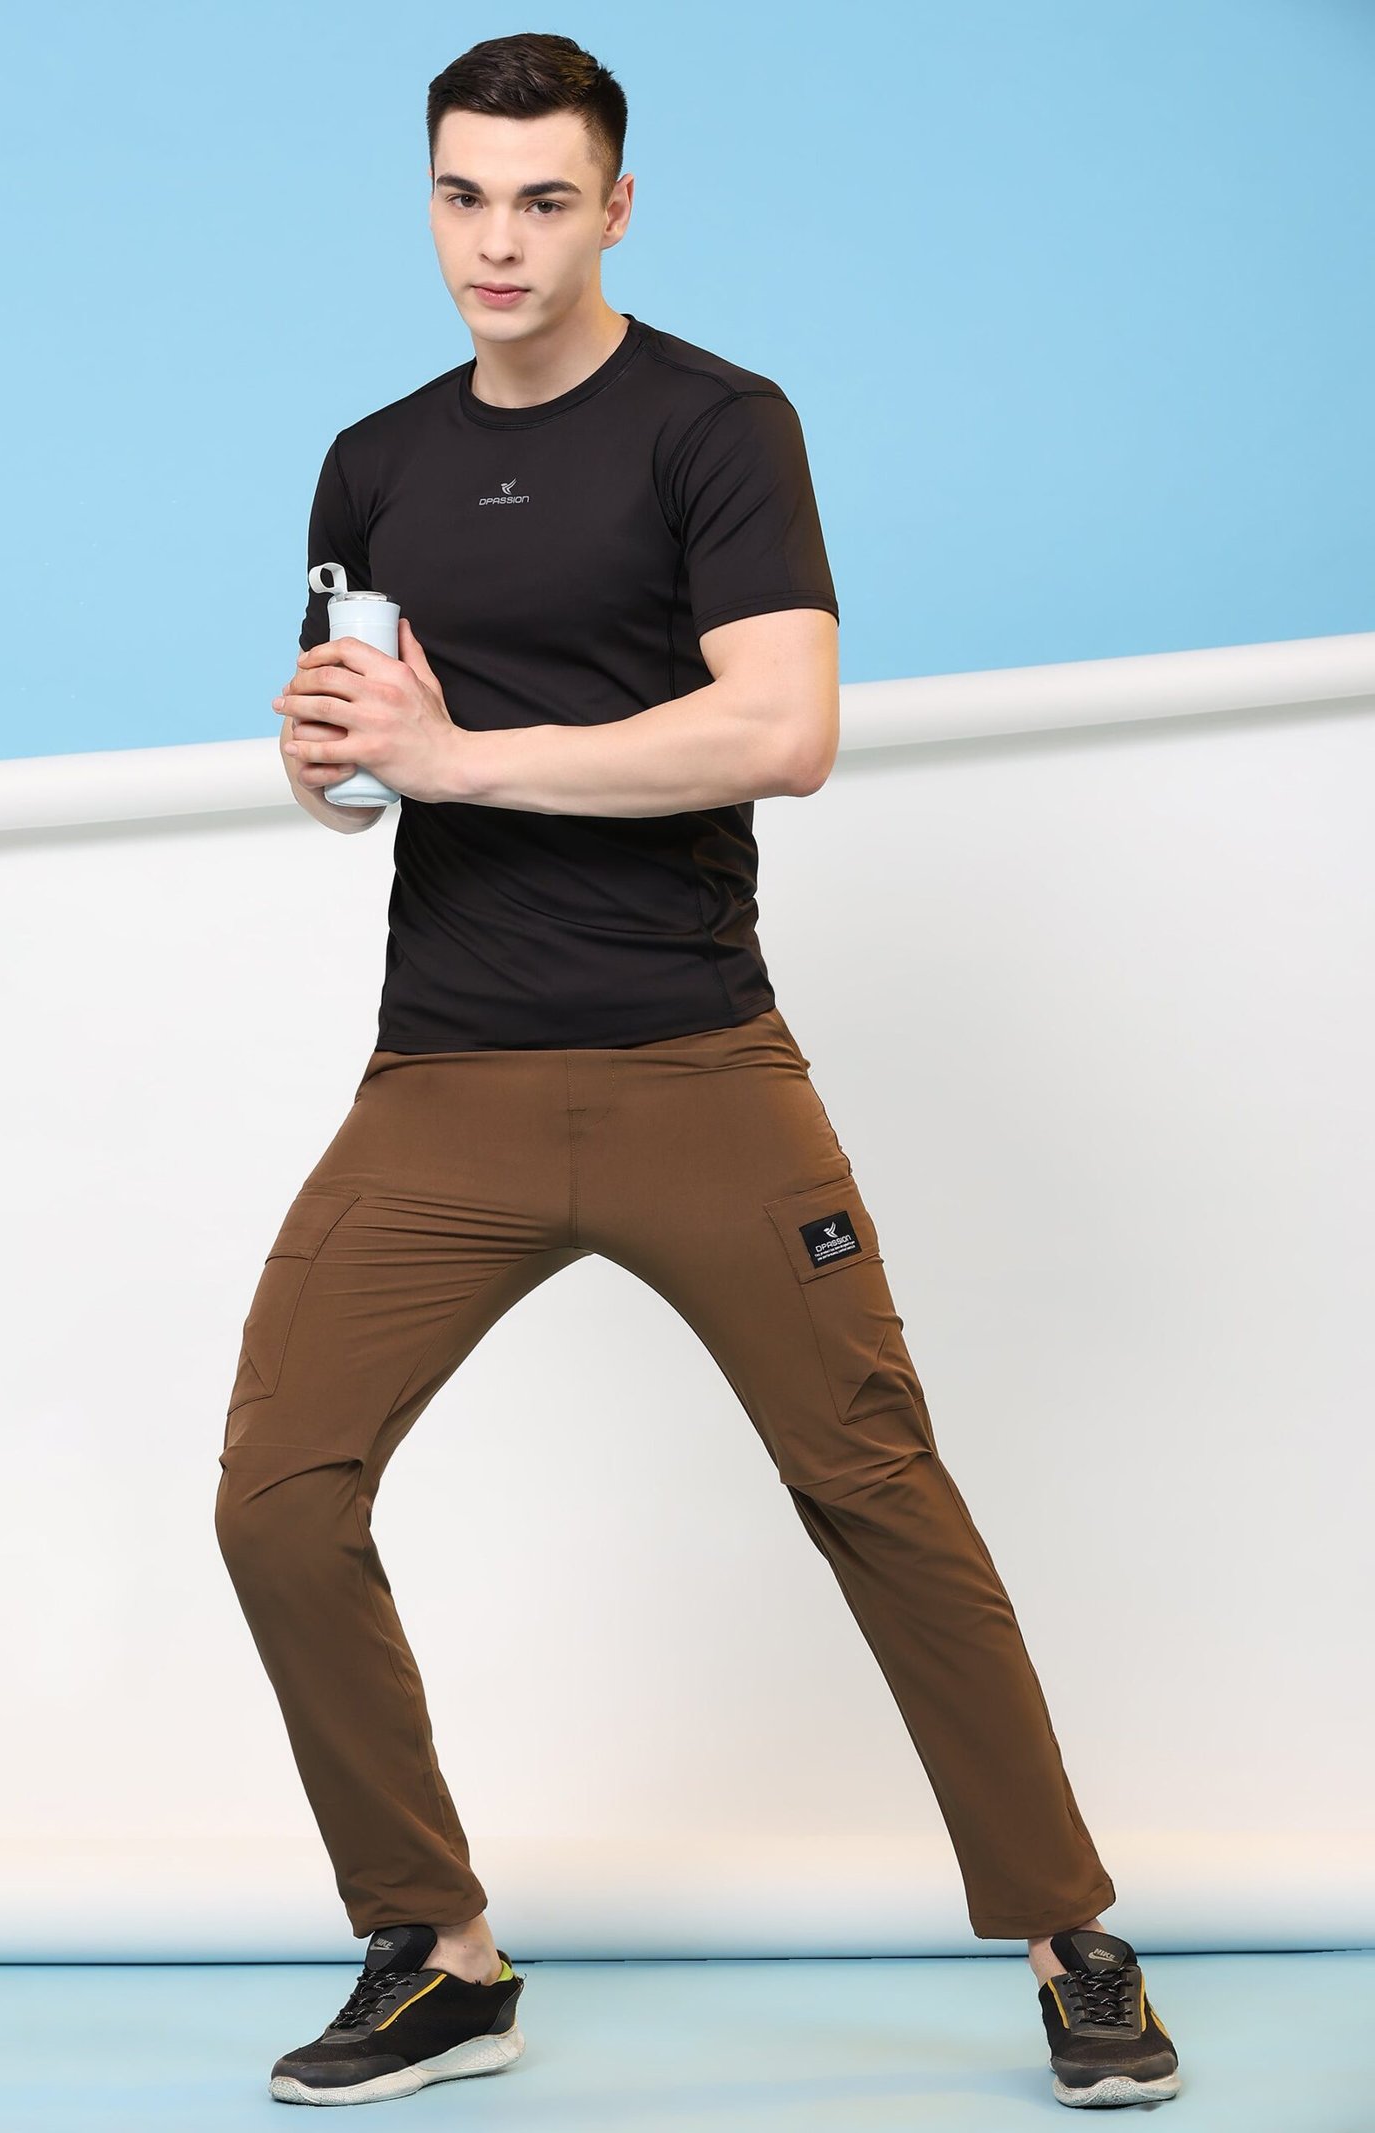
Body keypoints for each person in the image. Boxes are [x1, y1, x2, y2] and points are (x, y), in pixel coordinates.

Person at [214, 30, 1181, 2114]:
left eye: (543, 199)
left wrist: (464, 756)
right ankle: (438, 1950)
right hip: (442, 1077)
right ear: (428, 198)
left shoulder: (717, 425)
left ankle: (1071, 1936)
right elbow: (358, 762)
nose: (497, 240)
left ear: (617, 207)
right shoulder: (370, 459)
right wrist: (330, 764)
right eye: (463, 195)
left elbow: (781, 727)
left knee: (875, 1482)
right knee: (276, 1498)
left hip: (696, 1063)